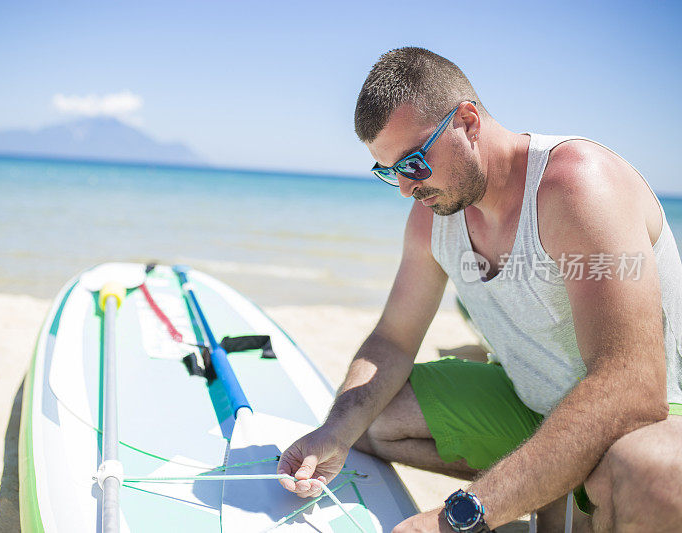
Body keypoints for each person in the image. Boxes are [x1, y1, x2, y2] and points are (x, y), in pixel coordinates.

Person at [277, 47, 682, 532]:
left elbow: (631, 386)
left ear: (467, 122)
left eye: (414, 162)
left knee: (653, 475)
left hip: (647, 415)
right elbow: (393, 338)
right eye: (390, 172)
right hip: (530, 404)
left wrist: (456, 518)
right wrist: (333, 434)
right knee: (371, 417)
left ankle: (552, 489)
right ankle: (544, 484)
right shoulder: (433, 218)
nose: (406, 188)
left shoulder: (577, 188)